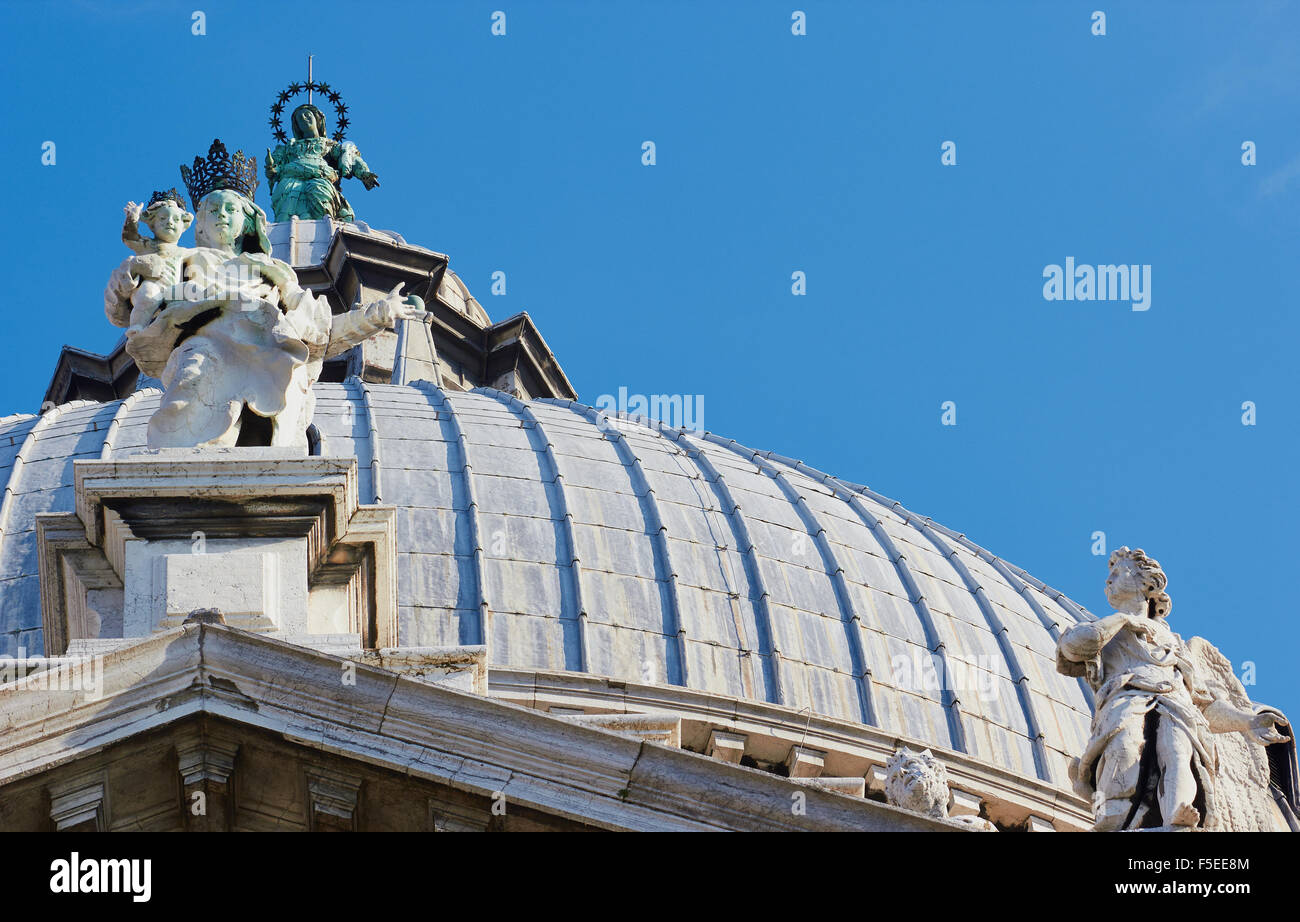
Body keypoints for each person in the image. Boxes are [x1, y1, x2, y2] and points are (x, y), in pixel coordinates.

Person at [1056, 546, 1289, 830]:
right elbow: (1072, 647)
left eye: (1118, 573)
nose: (1108, 580)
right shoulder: (1107, 629)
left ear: (1147, 584)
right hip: (1125, 705)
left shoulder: (1174, 642)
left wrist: (1248, 721)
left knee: (1178, 752)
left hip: (1176, 705)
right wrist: (1125, 620)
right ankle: (1110, 820)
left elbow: (1202, 704)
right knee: (1126, 748)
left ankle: (1176, 817)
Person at [264, 103, 378, 222]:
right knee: (287, 202)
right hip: (290, 180)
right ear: (297, 125)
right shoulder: (289, 147)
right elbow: (274, 167)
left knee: (319, 197)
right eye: (299, 118)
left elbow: (351, 158)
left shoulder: (328, 145)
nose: (304, 119)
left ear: (317, 120)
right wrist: (271, 169)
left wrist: (365, 174)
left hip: (320, 178)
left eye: (307, 115)